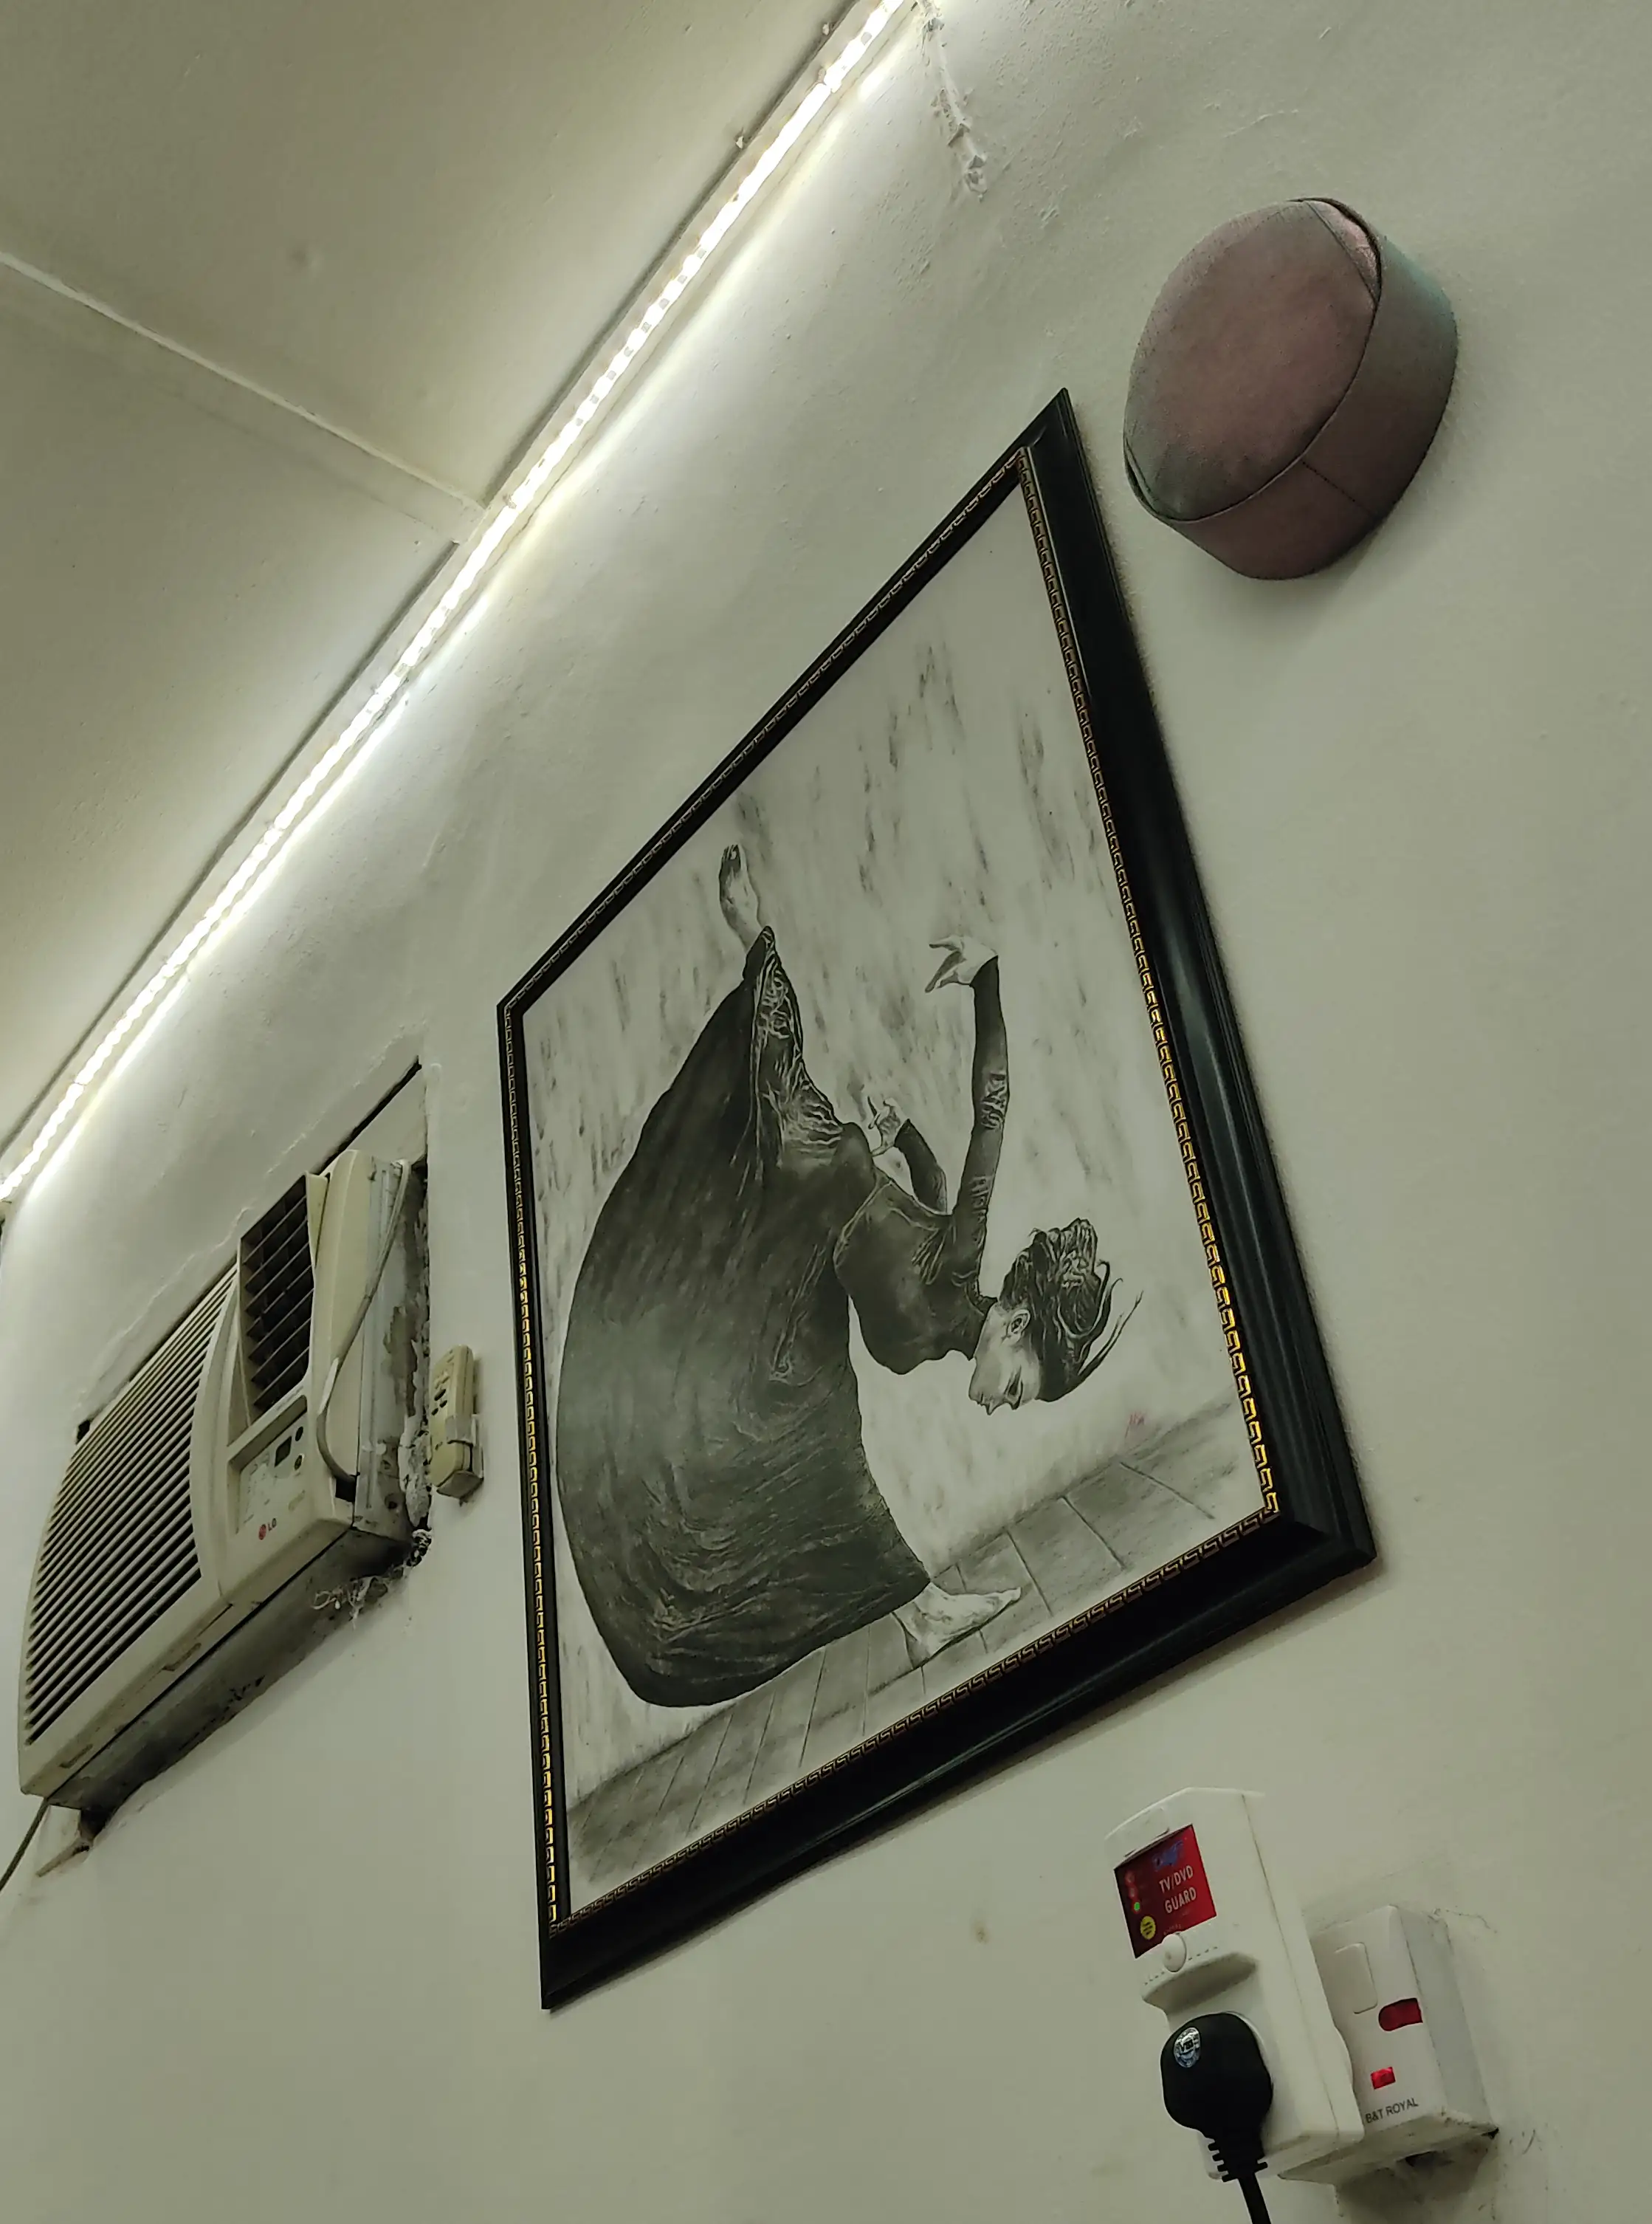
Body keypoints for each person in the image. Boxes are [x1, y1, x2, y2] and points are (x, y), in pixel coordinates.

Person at [552, 844, 1135, 1708]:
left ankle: (921, 1615)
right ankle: (752, 928)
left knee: (799, 1435)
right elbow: (993, 1107)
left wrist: (908, 1140)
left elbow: (926, 1208)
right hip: (812, 1172)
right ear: (1015, 1325)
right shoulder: (964, 1259)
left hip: (807, 1274)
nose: (1002, 1404)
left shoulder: (950, 1304)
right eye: (1018, 1387)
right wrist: (988, 979)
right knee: (769, 1072)